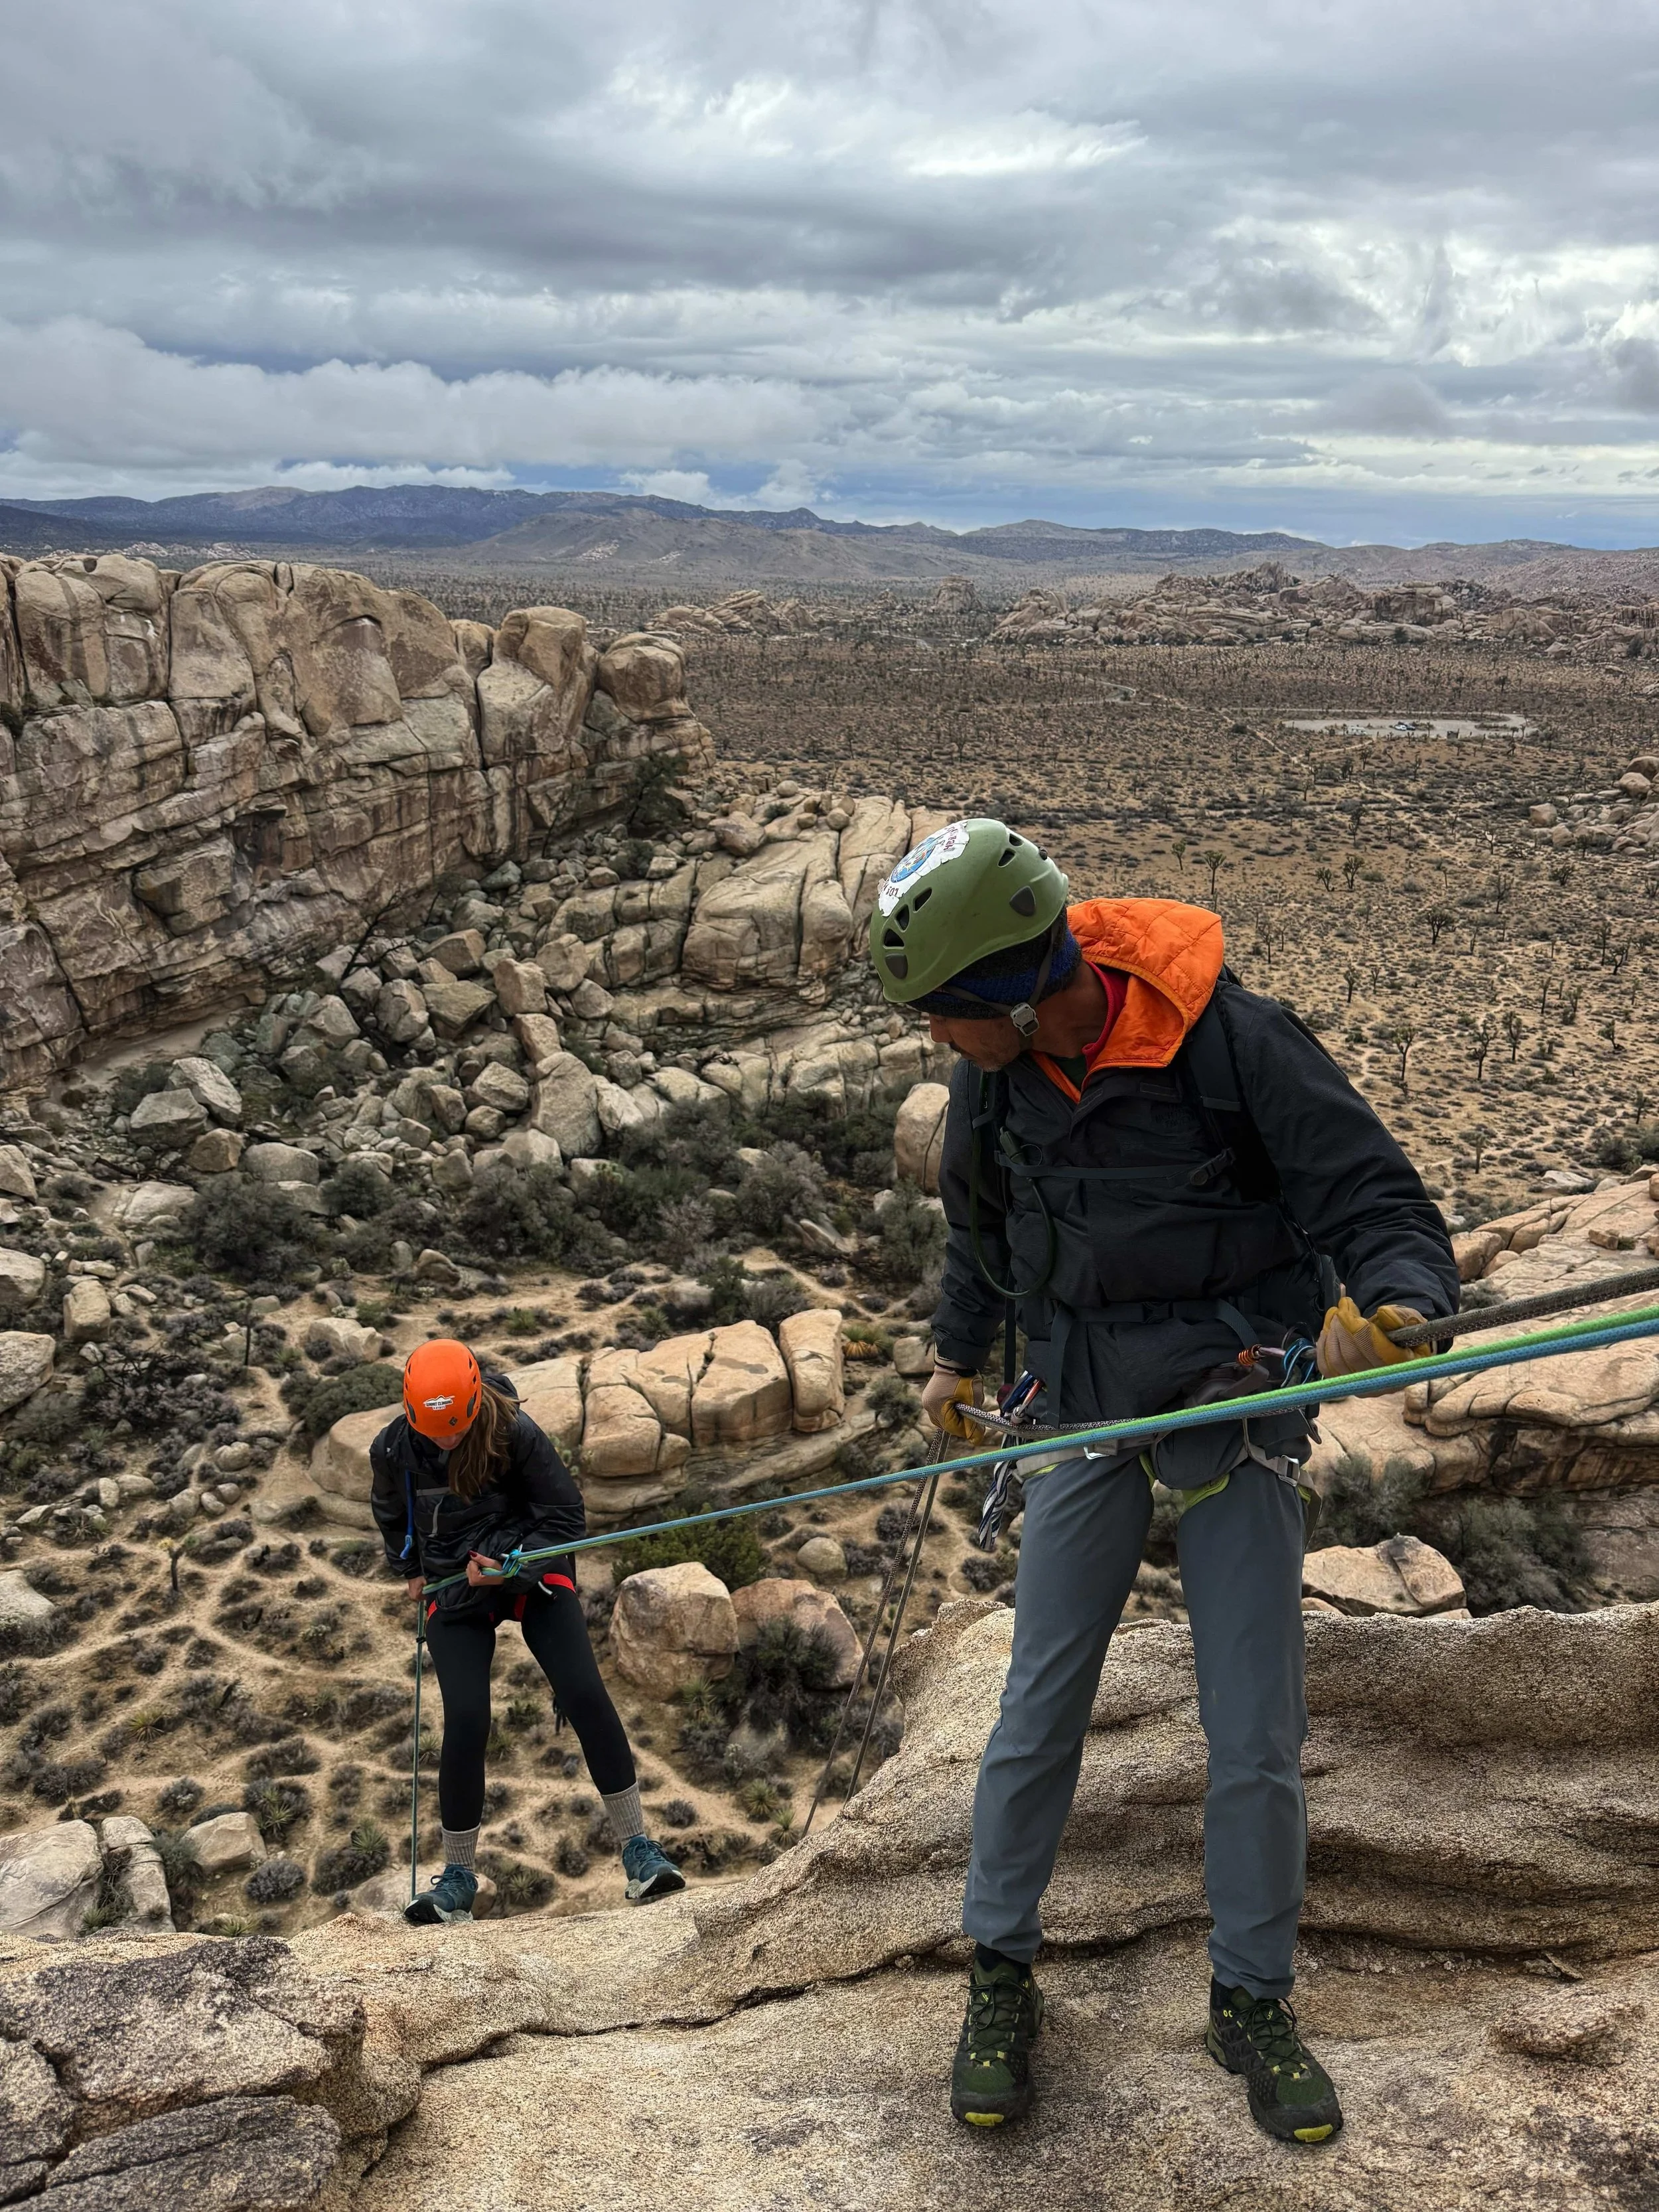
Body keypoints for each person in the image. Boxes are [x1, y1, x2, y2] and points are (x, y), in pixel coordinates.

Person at [868, 819, 1458, 2144]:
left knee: (1251, 1727)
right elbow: (981, 1229)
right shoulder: (995, 1085)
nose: (933, 1042)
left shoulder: (1232, 1040)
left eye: (941, 1015)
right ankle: (1000, 1972)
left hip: (1230, 1394)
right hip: (1082, 1396)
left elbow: (1377, 1201)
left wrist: (1396, 1303)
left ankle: (1249, 1996)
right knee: (1035, 1708)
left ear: (1013, 994)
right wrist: (954, 1359)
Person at [370, 1338, 685, 1923]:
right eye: (435, 1430)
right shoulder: (393, 1448)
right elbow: (391, 1514)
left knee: (584, 1691)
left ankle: (640, 1849)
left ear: (473, 1405)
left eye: (456, 1428)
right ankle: (459, 1877)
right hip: (455, 1583)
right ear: (413, 1415)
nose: (446, 1440)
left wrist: (509, 1560)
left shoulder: (513, 1430)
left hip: (525, 1568)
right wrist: (409, 1569)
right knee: (467, 1716)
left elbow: (565, 1516)